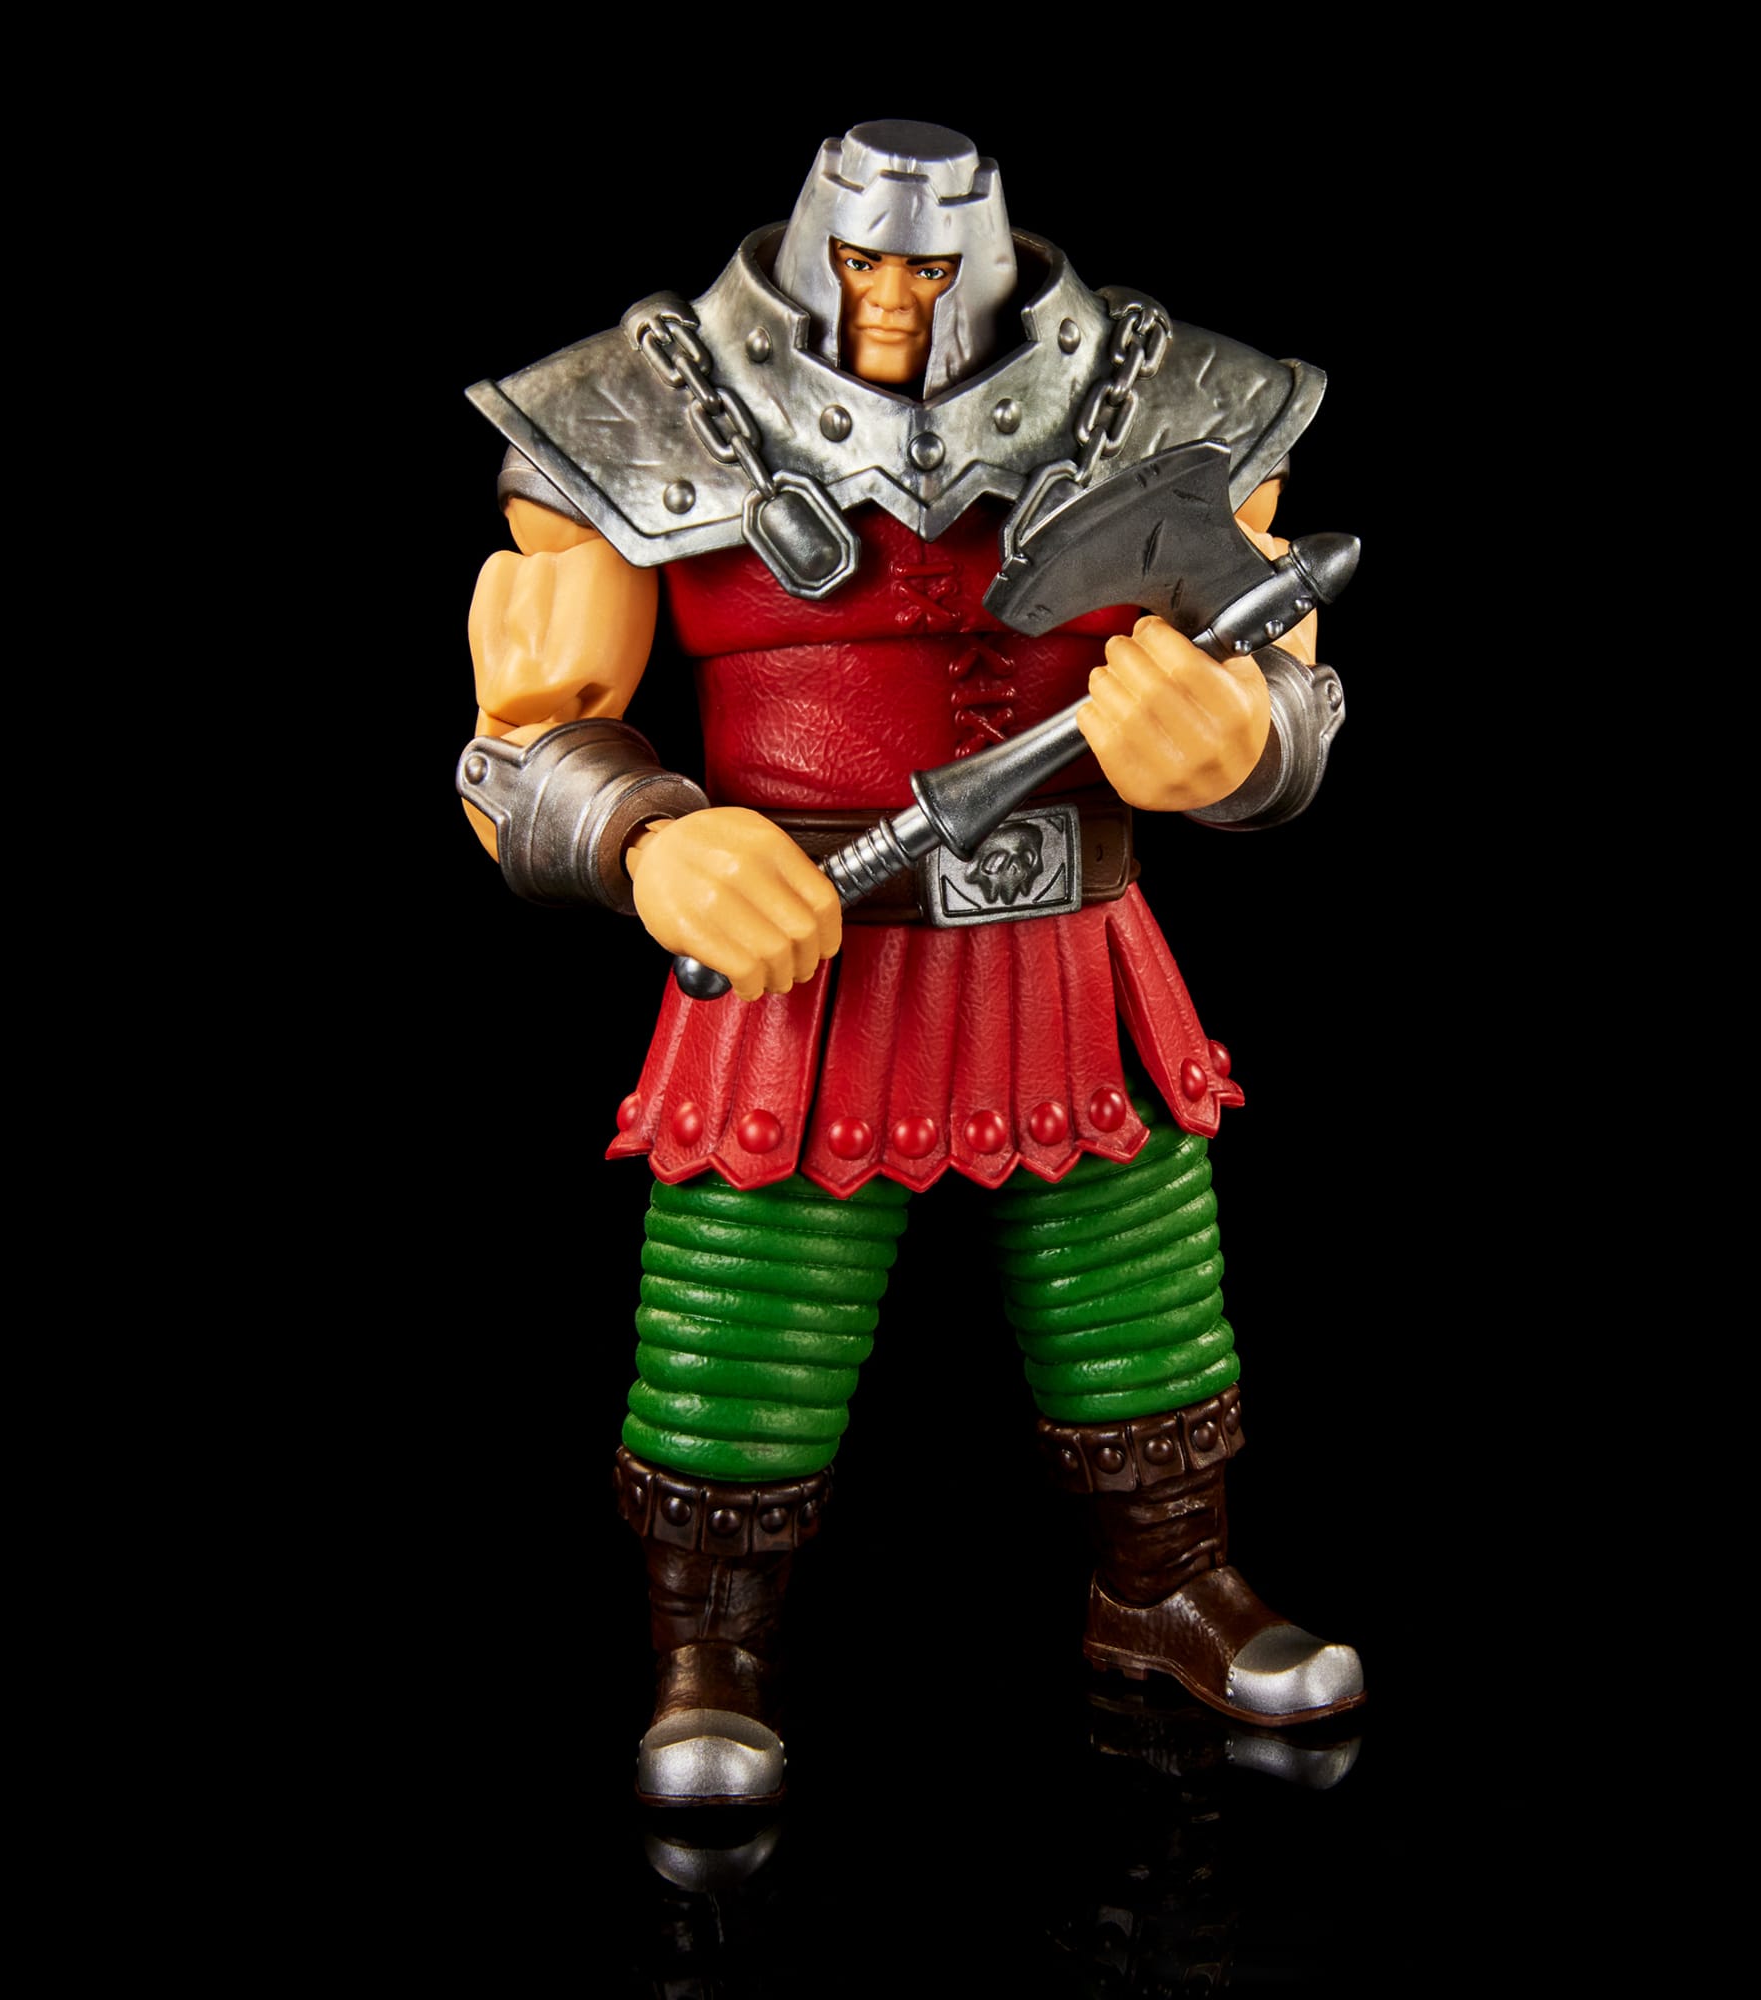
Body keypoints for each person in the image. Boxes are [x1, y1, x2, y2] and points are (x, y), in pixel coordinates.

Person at [457, 121, 1360, 1807]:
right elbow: (513, 742)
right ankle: (709, 1651)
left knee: (1138, 1285)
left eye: (934, 272)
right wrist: (651, 838)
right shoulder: (643, 405)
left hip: (1071, 943)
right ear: (815, 254)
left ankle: (1166, 1587)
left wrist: (1234, 741)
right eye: (868, 265)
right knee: (744, 1313)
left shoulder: (1167, 401)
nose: (897, 303)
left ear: (991, 265)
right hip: (799, 955)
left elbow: (1293, 683)